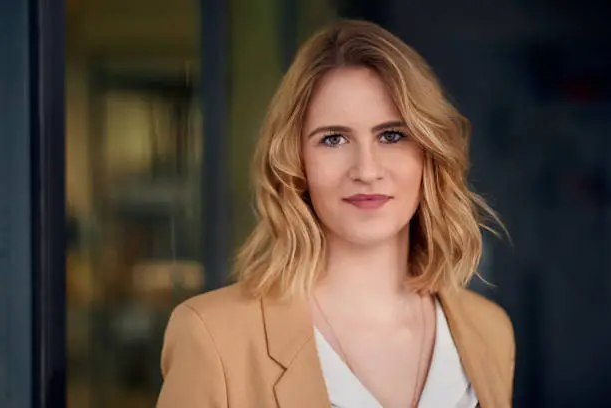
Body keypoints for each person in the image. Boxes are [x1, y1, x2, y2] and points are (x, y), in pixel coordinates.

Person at [156, 19, 515, 408]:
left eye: (392, 135)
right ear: (296, 161)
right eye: (334, 139)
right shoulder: (213, 336)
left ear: (430, 153)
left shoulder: (489, 330)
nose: (366, 169)